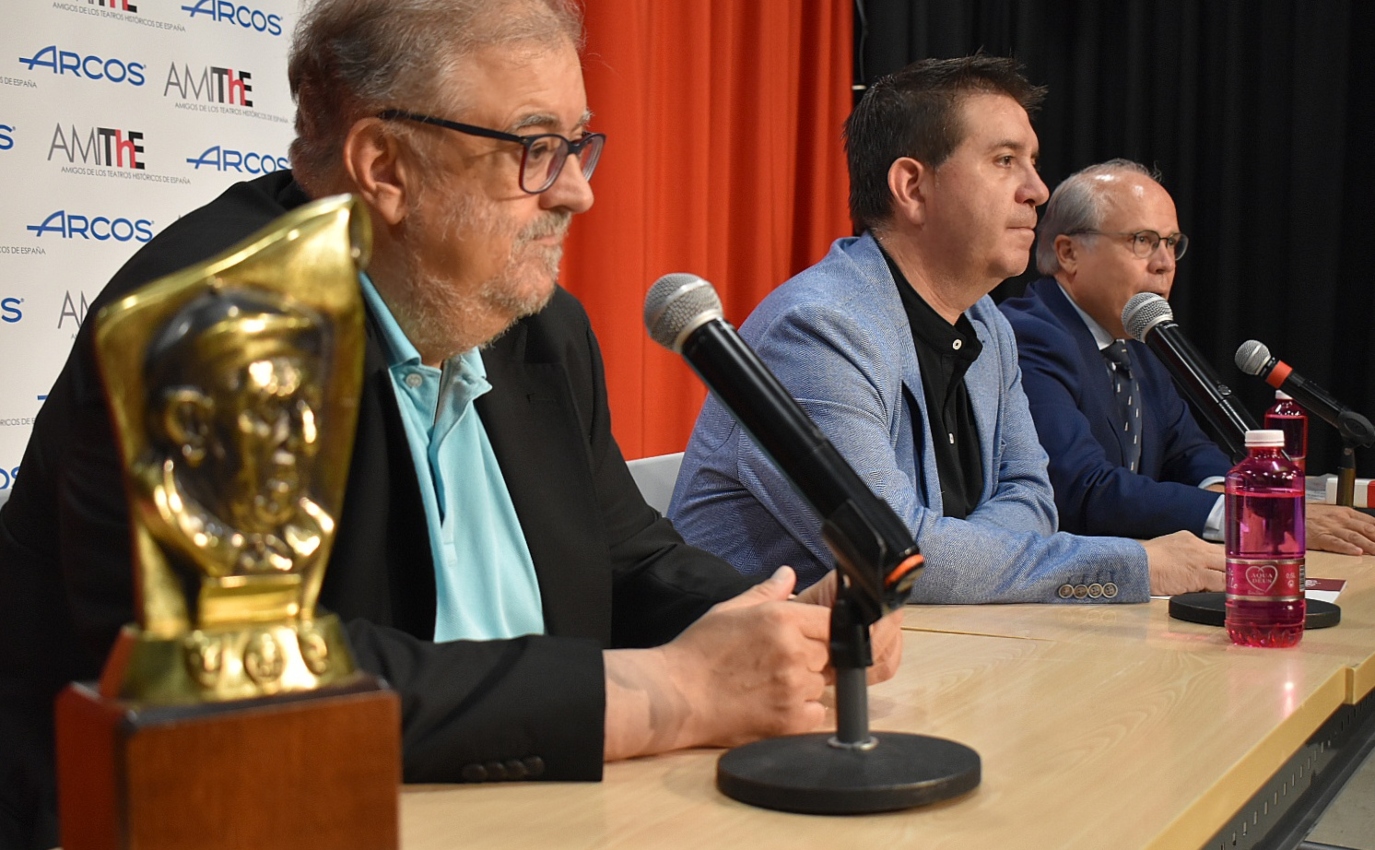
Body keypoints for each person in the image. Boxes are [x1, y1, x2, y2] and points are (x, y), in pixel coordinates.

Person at [0, 2, 900, 846]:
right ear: (385, 167)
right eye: (536, 147)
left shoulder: (539, 326)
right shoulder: (221, 329)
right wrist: (660, 693)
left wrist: (770, 622)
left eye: (578, 144)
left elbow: (626, 556)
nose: (577, 192)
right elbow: (240, 681)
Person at [669, 56, 1224, 604]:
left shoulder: (988, 325)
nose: (1038, 189)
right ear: (912, 187)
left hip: (942, 647)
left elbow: (1034, 496)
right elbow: (896, 554)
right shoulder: (817, 330)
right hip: (775, 671)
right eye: (1006, 160)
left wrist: (962, 559)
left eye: (1032, 162)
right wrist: (1130, 566)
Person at [999, 160, 1375, 553]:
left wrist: (1239, 496)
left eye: (1171, 243)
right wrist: (1247, 517)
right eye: (1142, 241)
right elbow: (1083, 488)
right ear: (1068, 252)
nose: (1163, 264)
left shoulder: (1140, 342)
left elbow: (1188, 452)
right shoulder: (1031, 336)